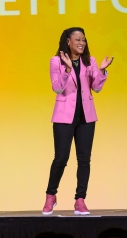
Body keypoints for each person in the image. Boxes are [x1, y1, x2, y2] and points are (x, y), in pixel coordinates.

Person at [43, 27, 114, 216]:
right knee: (61, 158)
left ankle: (80, 200)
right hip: (64, 117)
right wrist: (67, 69)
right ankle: (51, 195)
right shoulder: (56, 61)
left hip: (86, 117)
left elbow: (96, 88)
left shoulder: (89, 61)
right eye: (77, 39)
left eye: (83, 39)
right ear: (68, 41)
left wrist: (101, 71)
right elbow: (57, 88)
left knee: (84, 160)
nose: (81, 42)